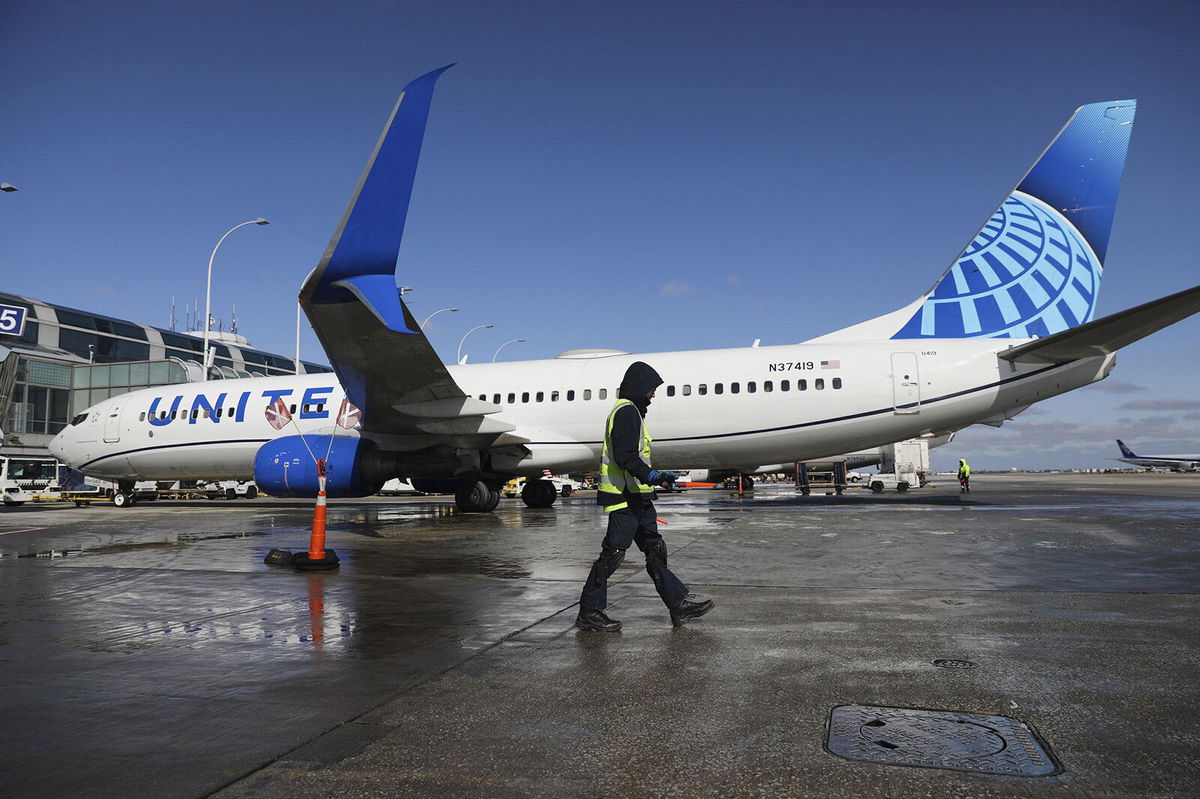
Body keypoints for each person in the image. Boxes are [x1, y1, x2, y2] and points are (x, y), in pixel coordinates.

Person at [576, 361, 714, 632]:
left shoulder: (634, 414)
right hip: (623, 497)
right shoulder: (626, 412)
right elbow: (625, 456)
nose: (653, 394)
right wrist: (650, 475)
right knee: (613, 554)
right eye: (651, 389)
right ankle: (589, 611)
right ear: (639, 387)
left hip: (638, 496)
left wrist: (656, 478)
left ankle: (678, 606)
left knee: (655, 550)